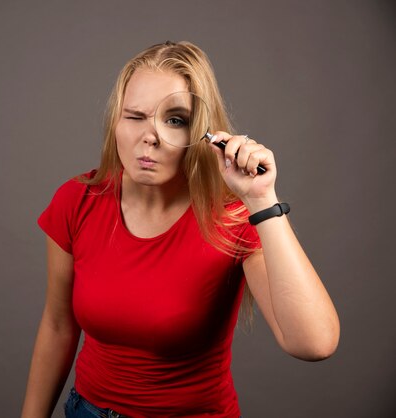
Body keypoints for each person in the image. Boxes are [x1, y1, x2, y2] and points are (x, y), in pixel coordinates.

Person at [21, 41, 339, 418]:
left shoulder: (234, 218)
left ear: (202, 132)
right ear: (115, 123)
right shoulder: (77, 200)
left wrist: (262, 200)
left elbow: (314, 343)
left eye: (174, 120)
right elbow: (58, 326)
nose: (149, 137)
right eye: (135, 116)